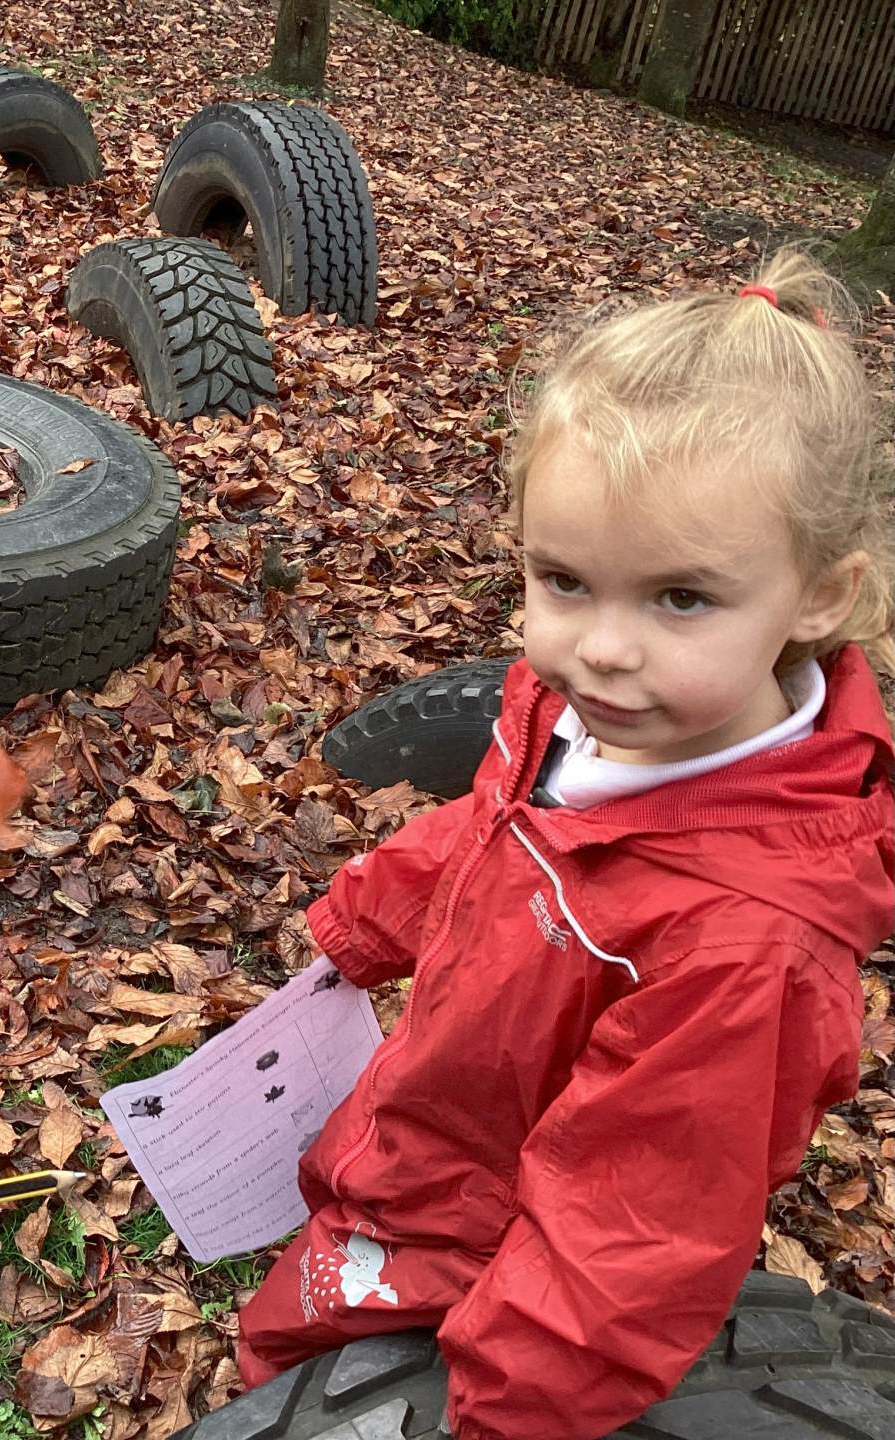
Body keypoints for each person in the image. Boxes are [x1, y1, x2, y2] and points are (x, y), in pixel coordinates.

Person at [237, 248, 895, 1439]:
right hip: (432, 1139)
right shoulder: (578, 719)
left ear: (819, 595)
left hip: (491, 1240)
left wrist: (501, 1420)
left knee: (309, 1367)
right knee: (288, 1342)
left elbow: (628, 1239)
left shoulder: (747, 944)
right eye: (565, 580)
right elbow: (491, 835)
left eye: (680, 598)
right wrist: (368, 920)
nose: (601, 648)